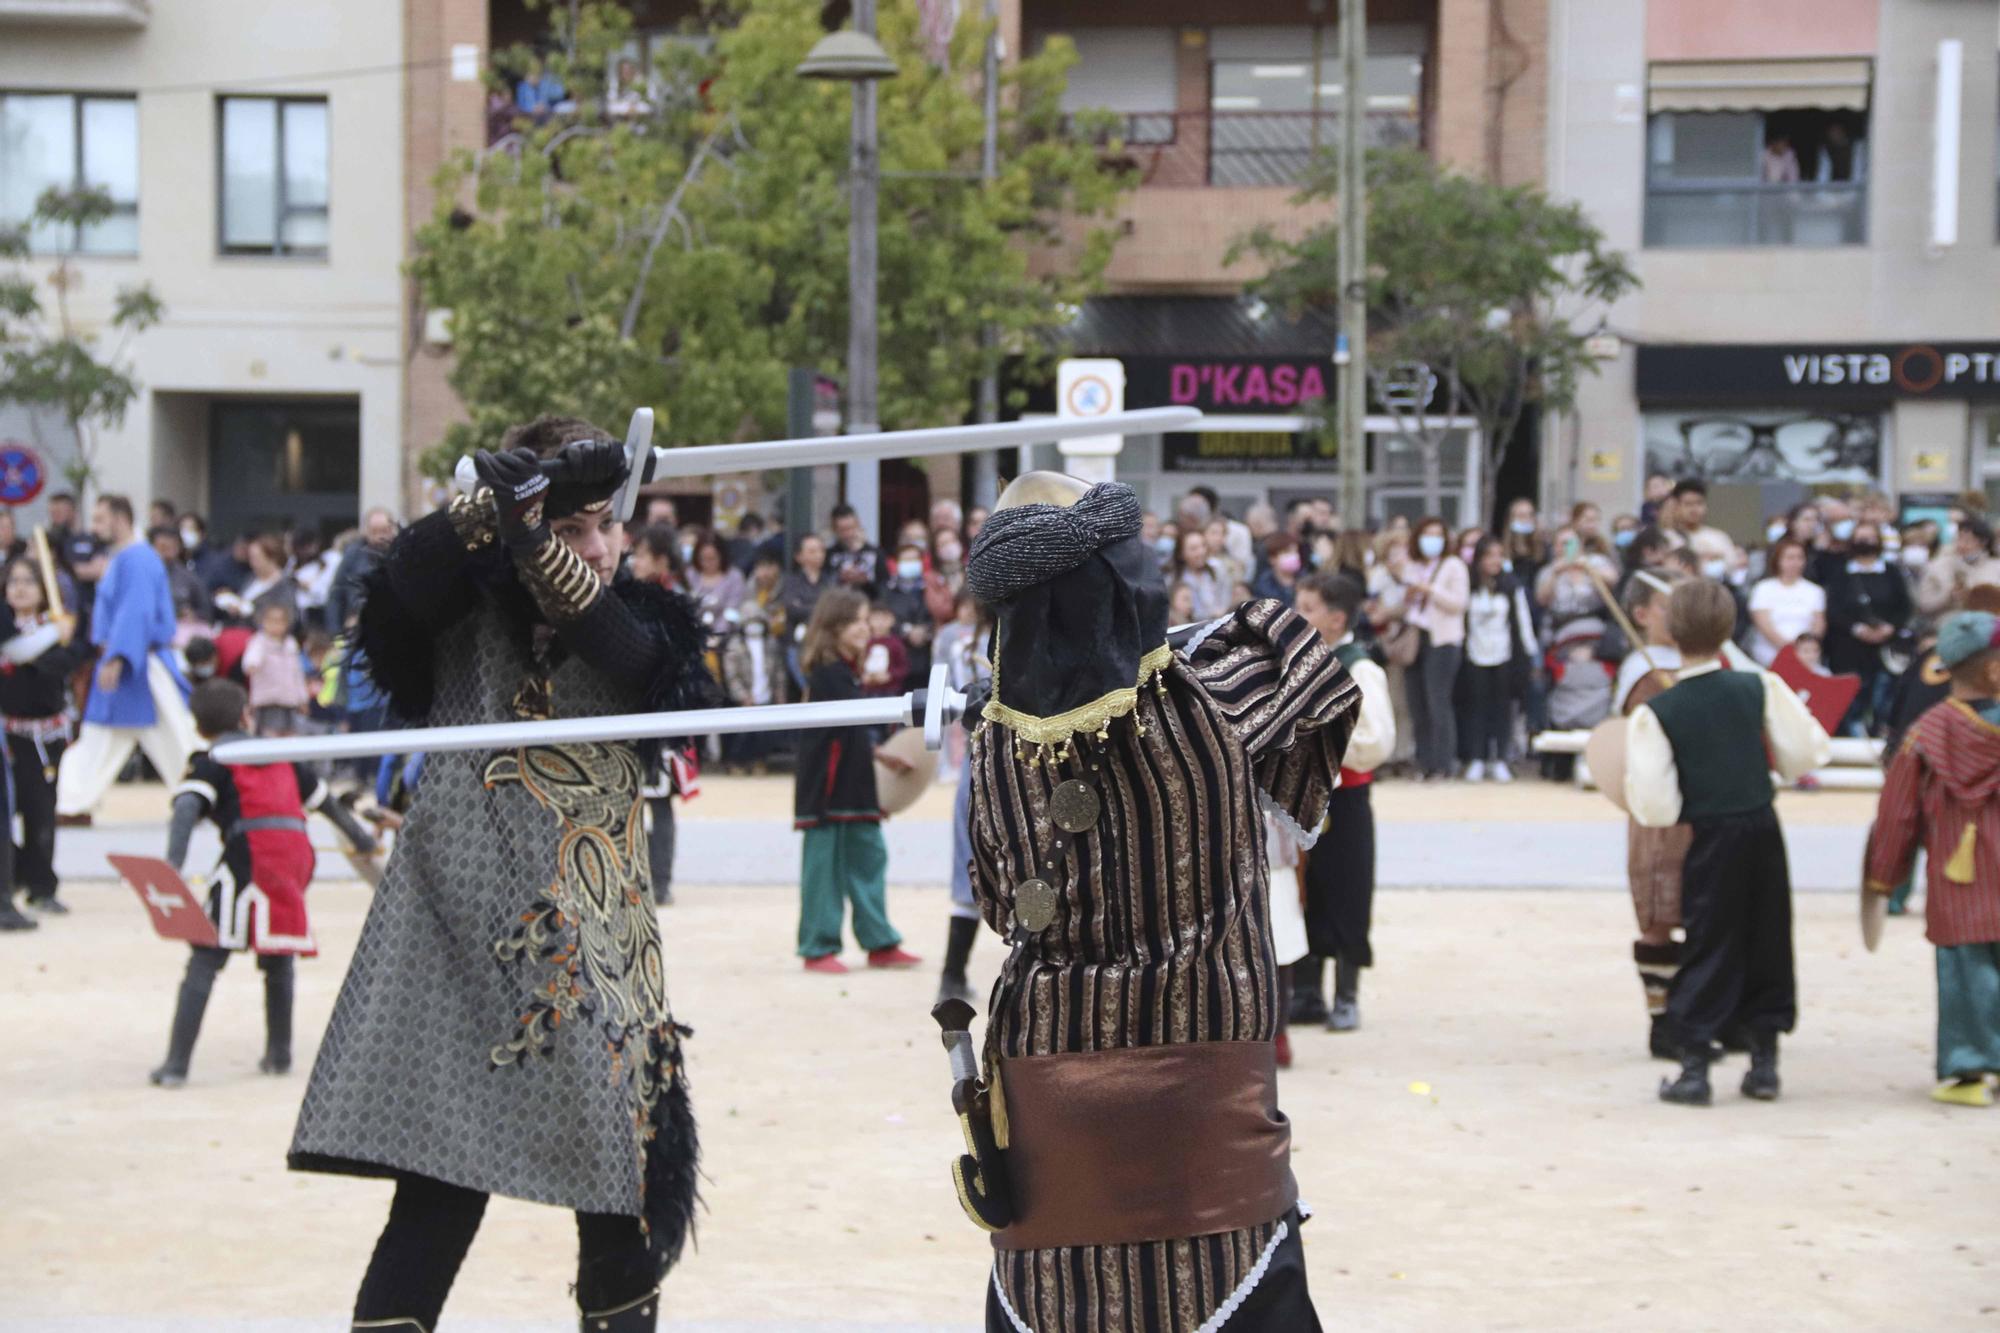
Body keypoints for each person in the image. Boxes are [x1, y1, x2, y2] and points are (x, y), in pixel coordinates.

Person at [287, 417, 712, 1332]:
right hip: (461, 944)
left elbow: (629, 658)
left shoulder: (647, 619)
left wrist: (534, 537)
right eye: (573, 529)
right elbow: (399, 588)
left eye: (606, 523)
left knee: (618, 1210)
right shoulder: (458, 615)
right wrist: (490, 513)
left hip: (595, 954)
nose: (598, 547)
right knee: (437, 1197)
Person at [959, 474, 1354, 1331]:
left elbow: (997, 902)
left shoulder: (992, 747)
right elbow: (1317, 675)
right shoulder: (1223, 690)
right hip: (1203, 1087)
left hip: (1051, 1083)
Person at [1626, 579, 1831, 1106]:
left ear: (1671, 629)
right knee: (1767, 935)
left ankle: (1694, 1067)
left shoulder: (1660, 710)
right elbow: (1806, 751)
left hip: (1709, 835)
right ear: (1729, 628)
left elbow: (1653, 806)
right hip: (1762, 826)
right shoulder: (1758, 686)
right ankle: (1764, 1064)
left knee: (1708, 939)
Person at [148, 678, 377, 1088]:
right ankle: (279, 1055)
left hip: (250, 855)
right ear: (246, 716)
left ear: (198, 727)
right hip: (295, 858)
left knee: (206, 955)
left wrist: (172, 866)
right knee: (277, 955)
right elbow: (326, 804)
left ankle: (176, 1066)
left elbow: (186, 806)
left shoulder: (212, 758)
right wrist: (362, 840)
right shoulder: (280, 753)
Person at [1866, 610, 2000, 1107]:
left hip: (1957, 878)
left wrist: (1884, 878)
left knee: (1965, 971)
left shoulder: (1926, 733)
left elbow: (1897, 814)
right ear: (1992, 672)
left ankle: (1968, 1069)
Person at [792, 588, 919, 974]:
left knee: (869, 858)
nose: (866, 627)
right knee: (824, 867)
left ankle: (879, 941)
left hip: (856, 781)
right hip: (829, 788)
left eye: (866, 620)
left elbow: (852, 735)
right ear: (834, 627)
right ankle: (818, 945)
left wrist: (881, 757)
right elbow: (831, 740)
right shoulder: (828, 673)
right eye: (857, 621)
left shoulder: (847, 673)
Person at [1291, 572, 1393, 1033]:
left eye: (1308, 608)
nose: (1299, 615)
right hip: (1300, 796)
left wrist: (1319, 734)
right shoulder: (1297, 662)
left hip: (1345, 797)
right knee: (1304, 890)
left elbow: (1375, 740)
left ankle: (1347, 993)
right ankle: (1307, 989)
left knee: (1348, 890)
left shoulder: (1360, 667)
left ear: (1335, 619)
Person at [54, 495, 197, 821]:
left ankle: (202, 794)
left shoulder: (138, 559)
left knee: (177, 738)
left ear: (120, 518)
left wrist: (118, 656)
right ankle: (74, 803)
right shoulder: (127, 558)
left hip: (139, 663)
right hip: (128, 659)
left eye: (100, 519)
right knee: (101, 737)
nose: (94, 527)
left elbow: (137, 612)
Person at [0, 556, 89, 929]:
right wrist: (49, 637)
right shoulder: (9, 629)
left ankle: (41, 885)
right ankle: (15, 874)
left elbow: (60, 663)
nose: (20, 588)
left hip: (42, 737)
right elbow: (18, 652)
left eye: (29, 582)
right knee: (5, 817)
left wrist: (57, 636)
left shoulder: (61, 629)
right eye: (14, 581)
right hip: (6, 737)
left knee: (39, 814)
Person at [1459, 537, 1538, 782]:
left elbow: (1523, 621)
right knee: (1476, 708)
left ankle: (1501, 759)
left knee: (1502, 709)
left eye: (1499, 555)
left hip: (1504, 655)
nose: (1495, 561)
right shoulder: (1468, 585)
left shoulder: (1511, 586)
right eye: (1489, 555)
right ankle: (1477, 758)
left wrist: (1529, 654)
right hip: (1474, 654)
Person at [1824, 520, 1912, 732]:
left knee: (1884, 701)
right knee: (1852, 703)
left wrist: (1891, 627)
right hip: (1849, 650)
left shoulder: (1891, 571)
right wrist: (1857, 629)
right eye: (1861, 538)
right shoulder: (1841, 573)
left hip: (1886, 651)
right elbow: (1833, 608)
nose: (1865, 543)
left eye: (1870, 538)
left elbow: (1905, 606)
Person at [1402, 515, 1469, 780]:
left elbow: (1458, 603)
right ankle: (1424, 762)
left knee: (1437, 702)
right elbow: (1404, 604)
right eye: (1427, 535)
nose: (1432, 541)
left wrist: (1429, 589)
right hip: (1416, 637)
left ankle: (1443, 762)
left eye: (1437, 535)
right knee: (1417, 704)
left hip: (1443, 640)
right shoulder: (1412, 565)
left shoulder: (1453, 566)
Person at [719, 603, 787, 770]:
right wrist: (742, 695)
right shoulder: (735, 645)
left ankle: (760, 761)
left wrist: (779, 694)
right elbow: (731, 676)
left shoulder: (771, 644)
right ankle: (736, 763)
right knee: (742, 734)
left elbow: (779, 672)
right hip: (745, 697)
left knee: (764, 734)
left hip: (765, 694)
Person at [1746, 537, 1828, 668]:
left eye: (1799, 558)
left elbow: (1818, 624)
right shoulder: (1763, 588)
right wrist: (1789, 651)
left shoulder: (1815, 590)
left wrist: (1806, 650)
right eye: (1790, 558)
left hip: (1806, 658)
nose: (1795, 562)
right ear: (1778, 560)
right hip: (1769, 656)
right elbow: (1763, 624)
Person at [242, 601, 310, 736]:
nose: (275, 625)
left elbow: (297, 673)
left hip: (289, 699)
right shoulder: (259, 641)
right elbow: (252, 658)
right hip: (268, 699)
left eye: (279, 621)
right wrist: (252, 665)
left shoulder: (290, 644)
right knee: (270, 734)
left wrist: (303, 698)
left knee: (291, 733)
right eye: (271, 621)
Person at [1918, 516, 2000, 617]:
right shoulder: (1938, 566)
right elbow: (1924, 605)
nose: (1962, 545)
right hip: (1949, 624)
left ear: (1983, 542)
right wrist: (1948, 597)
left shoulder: (1996, 567)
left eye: (1969, 540)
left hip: (1990, 625)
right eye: (1959, 538)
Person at [880, 540, 936, 681]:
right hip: (898, 657)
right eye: (906, 560)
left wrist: (925, 631)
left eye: (914, 559)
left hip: (927, 656)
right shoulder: (887, 590)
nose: (911, 563)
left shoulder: (932, 587)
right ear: (897, 563)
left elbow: (940, 614)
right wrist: (907, 631)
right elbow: (883, 617)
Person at [1665, 480, 1736, 567]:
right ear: (1676, 507)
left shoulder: (1719, 537)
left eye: (1699, 503)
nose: (1694, 509)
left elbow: (1732, 566)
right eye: (1688, 504)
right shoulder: (1667, 538)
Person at [1169, 528, 1231, 619]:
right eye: (1194, 549)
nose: (1201, 552)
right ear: (1181, 554)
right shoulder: (1176, 579)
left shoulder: (1217, 568)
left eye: (1203, 545)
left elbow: (1226, 598)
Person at [827, 503, 883, 598]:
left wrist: (865, 581)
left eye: (851, 528)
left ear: (858, 524)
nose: (849, 534)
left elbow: (884, 586)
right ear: (834, 530)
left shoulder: (875, 553)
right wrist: (840, 577)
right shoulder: (829, 554)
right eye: (843, 530)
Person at [1251, 531, 1304, 605]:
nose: (1294, 556)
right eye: (1287, 552)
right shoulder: (1263, 584)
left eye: (1295, 551)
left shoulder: (1305, 578)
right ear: (1272, 558)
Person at [515, 53, 566, 123]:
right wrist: (532, 108)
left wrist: (544, 105)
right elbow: (521, 105)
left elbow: (560, 94)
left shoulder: (549, 80)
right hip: (530, 116)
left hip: (549, 114)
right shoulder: (522, 86)